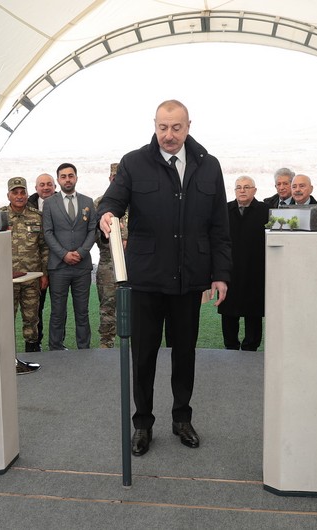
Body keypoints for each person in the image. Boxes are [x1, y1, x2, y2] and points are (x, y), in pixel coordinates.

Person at [98, 99, 232, 457]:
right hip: (145, 279)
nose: (169, 135)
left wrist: (220, 274)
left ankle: (181, 418)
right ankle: (142, 424)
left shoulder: (209, 166)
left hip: (190, 280)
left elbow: (220, 226)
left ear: (188, 126)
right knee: (143, 356)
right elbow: (111, 201)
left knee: (184, 353)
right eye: (162, 127)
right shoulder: (134, 162)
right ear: (154, 125)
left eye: (176, 128)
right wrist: (107, 215)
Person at [42, 163, 96, 350]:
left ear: (76, 178)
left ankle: (84, 348)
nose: (67, 179)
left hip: (82, 267)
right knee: (58, 311)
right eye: (63, 176)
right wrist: (64, 254)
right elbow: (47, 232)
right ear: (58, 180)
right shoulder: (49, 203)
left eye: (70, 176)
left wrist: (80, 253)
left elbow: (92, 231)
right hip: (59, 266)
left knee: (82, 311)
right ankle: (56, 348)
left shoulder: (88, 202)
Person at [1, 177, 47, 374]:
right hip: (6, 278)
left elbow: (44, 247)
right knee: (5, 318)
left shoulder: (37, 216)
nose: (19, 196)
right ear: (8, 195)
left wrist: (44, 274)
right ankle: (7, 358)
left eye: (22, 192)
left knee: (31, 317)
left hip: (31, 277)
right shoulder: (0, 216)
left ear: (27, 194)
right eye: (15, 192)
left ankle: (32, 354)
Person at [220, 176, 269, 351]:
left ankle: (251, 347)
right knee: (228, 311)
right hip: (229, 269)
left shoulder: (265, 210)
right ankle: (230, 345)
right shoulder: (224, 209)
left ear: (254, 190)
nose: (242, 190)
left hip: (256, 270)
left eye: (246, 187)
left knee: (253, 311)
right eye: (238, 187)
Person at [94, 163, 128, 348]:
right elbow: (93, 233)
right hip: (108, 263)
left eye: (119, 178)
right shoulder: (100, 203)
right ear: (109, 179)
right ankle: (106, 344)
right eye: (114, 178)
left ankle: (136, 345)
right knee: (107, 307)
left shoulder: (136, 201)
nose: (116, 181)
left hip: (135, 263)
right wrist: (109, 241)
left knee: (138, 306)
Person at [28, 172, 57, 346]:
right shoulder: (28, 206)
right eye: (42, 184)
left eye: (49, 184)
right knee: (36, 307)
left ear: (55, 187)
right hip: (37, 266)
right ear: (36, 188)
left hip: (61, 263)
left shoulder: (63, 203)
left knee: (59, 307)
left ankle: (57, 344)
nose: (45, 187)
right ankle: (36, 343)